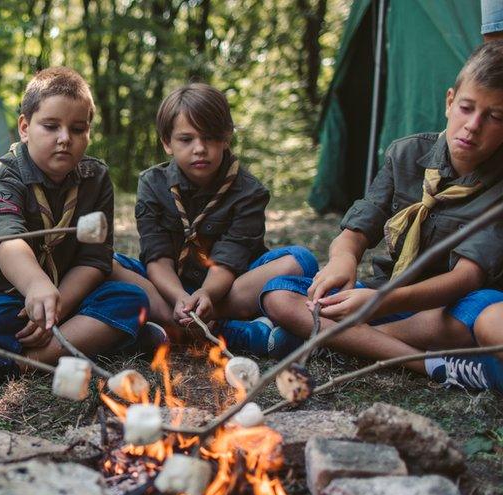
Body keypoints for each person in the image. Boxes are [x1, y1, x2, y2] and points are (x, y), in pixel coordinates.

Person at [262, 41, 503, 392]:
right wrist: (342, 261)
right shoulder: (406, 154)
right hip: (387, 300)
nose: (473, 125)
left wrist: (376, 305)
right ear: (450, 102)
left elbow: (466, 278)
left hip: (450, 309)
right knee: (279, 295)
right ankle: (428, 364)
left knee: (486, 313)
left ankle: (345, 342)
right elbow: (358, 228)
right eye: (467, 108)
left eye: (495, 116)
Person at [0, 67, 163, 391]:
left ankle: (11, 365)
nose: (65, 139)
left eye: (78, 129)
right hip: (0, 299)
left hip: (65, 299)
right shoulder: (2, 180)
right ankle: (104, 338)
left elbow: (94, 259)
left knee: (132, 297)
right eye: (51, 126)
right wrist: (35, 285)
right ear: (24, 127)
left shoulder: (95, 179)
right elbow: (7, 240)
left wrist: (56, 308)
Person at [111, 83, 318, 357]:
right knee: (104, 262)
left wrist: (207, 294)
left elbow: (227, 262)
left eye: (209, 137)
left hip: (230, 288)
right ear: (167, 143)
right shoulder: (152, 183)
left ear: (226, 137)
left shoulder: (249, 191)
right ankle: (233, 332)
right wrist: (180, 298)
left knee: (300, 261)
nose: (199, 148)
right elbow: (157, 257)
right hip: (171, 289)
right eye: (186, 139)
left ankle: (179, 328)